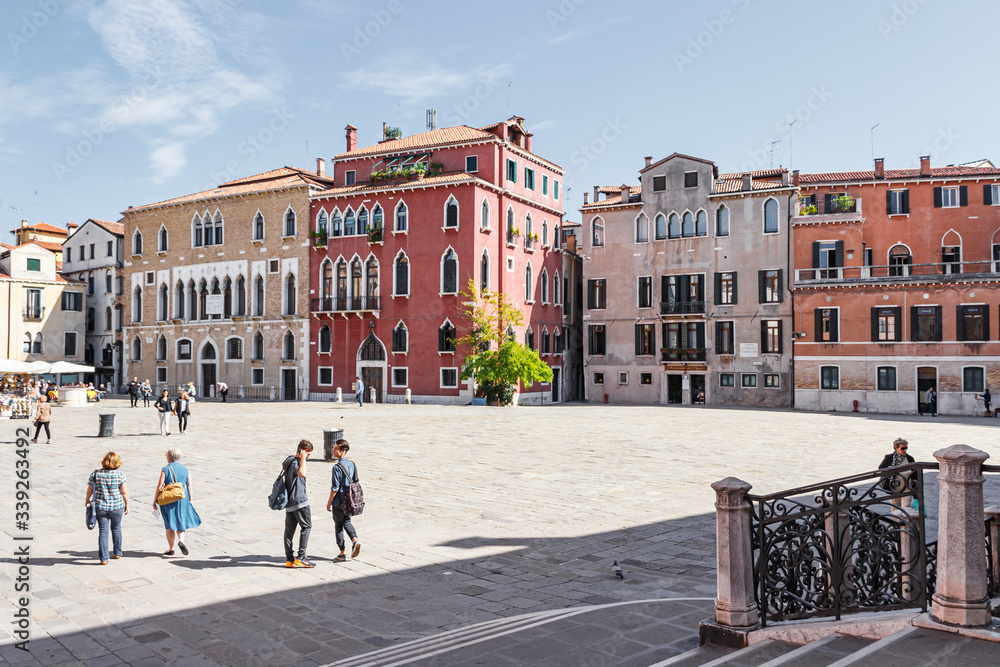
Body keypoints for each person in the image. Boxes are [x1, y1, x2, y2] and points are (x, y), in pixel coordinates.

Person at [153, 448, 201, 556]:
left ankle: (171, 548)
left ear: (169, 457)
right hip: (182, 497)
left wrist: (155, 499)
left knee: (170, 524)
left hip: (169, 499)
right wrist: (190, 500)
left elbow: (160, 486)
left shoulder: (165, 469)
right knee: (181, 521)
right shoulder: (186, 469)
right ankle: (181, 541)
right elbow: (189, 486)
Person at [85, 452, 130, 565]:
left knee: (103, 532)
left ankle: (104, 558)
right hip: (117, 506)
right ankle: (117, 552)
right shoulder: (120, 474)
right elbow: (124, 491)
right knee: (116, 528)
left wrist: (87, 500)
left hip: (101, 506)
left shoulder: (95, 474)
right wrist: (127, 504)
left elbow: (90, 490)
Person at [326, 439, 361, 562]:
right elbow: (356, 480)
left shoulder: (337, 467)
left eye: (336, 449)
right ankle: (354, 539)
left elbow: (334, 488)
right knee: (347, 521)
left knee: (338, 525)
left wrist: (329, 502)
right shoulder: (352, 464)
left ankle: (342, 553)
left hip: (339, 501)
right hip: (350, 500)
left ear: (342, 451)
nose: (333, 450)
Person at [282, 440, 315, 568]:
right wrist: (303, 459)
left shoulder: (288, 460)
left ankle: (289, 559)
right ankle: (301, 557)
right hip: (300, 500)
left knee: (289, 530)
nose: (309, 456)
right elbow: (302, 473)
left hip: (289, 501)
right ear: (302, 450)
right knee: (306, 526)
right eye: (308, 453)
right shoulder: (297, 462)